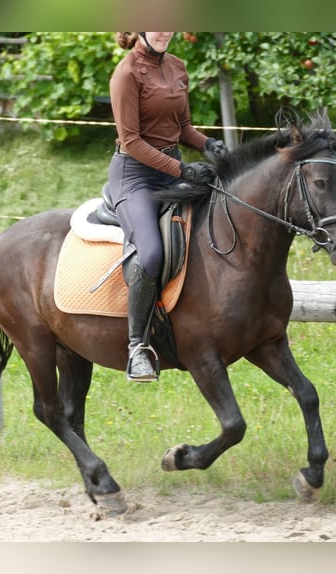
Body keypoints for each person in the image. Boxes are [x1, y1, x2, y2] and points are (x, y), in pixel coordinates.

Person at [108, 32, 228, 381]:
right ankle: (137, 348)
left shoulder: (177, 66)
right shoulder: (126, 73)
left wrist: (208, 144)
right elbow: (131, 141)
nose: (165, 31)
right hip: (135, 178)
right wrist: (182, 169)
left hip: (171, 169)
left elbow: (183, 127)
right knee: (151, 253)